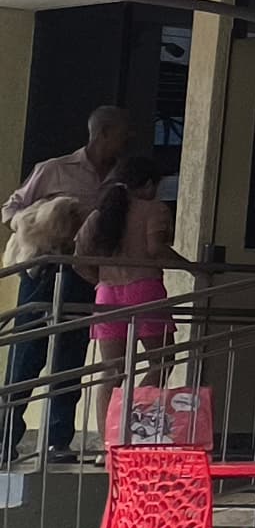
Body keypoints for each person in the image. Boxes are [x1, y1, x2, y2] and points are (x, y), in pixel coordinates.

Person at [2, 106, 130, 461]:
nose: (127, 140)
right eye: (122, 134)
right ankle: (4, 437)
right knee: (28, 354)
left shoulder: (120, 178)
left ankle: (58, 440)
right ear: (103, 133)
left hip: (85, 273)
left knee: (71, 357)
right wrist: (38, 224)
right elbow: (10, 210)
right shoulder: (54, 169)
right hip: (44, 271)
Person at [76, 153, 187, 404]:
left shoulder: (101, 213)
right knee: (162, 360)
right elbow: (156, 248)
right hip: (144, 289)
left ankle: (108, 437)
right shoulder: (154, 209)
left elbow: (79, 256)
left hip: (106, 294)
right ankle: (132, 416)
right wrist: (192, 267)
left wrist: (99, 280)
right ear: (148, 184)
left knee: (112, 370)